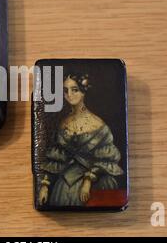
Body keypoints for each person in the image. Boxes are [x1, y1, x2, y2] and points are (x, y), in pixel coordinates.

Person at [38, 73, 124, 206]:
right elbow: (57, 159)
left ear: (84, 92)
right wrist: (45, 185)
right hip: (66, 181)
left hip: (95, 182)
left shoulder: (97, 124)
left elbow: (108, 160)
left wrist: (88, 180)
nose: (69, 95)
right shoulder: (64, 123)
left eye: (75, 90)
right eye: (65, 91)